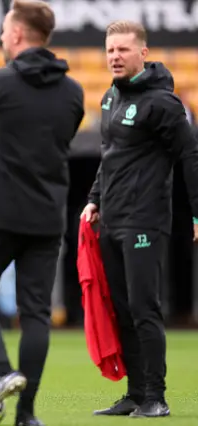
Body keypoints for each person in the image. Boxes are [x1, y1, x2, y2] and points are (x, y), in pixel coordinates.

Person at [0, 1, 84, 425]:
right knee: (36, 314)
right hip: (48, 215)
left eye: (4, 30)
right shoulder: (74, 91)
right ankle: (27, 415)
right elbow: (58, 142)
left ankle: (2, 372)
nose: (0, 37)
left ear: (16, 35)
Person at [81, 20, 198, 418]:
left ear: (142, 53)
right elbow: (110, 156)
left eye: (123, 50)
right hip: (111, 219)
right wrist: (95, 199)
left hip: (145, 220)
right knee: (122, 307)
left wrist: (197, 210)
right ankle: (134, 393)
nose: (114, 56)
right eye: (110, 50)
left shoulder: (164, 103)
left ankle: (156, 397)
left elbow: (190, 156)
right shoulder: (110, 98)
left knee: (145, 306)